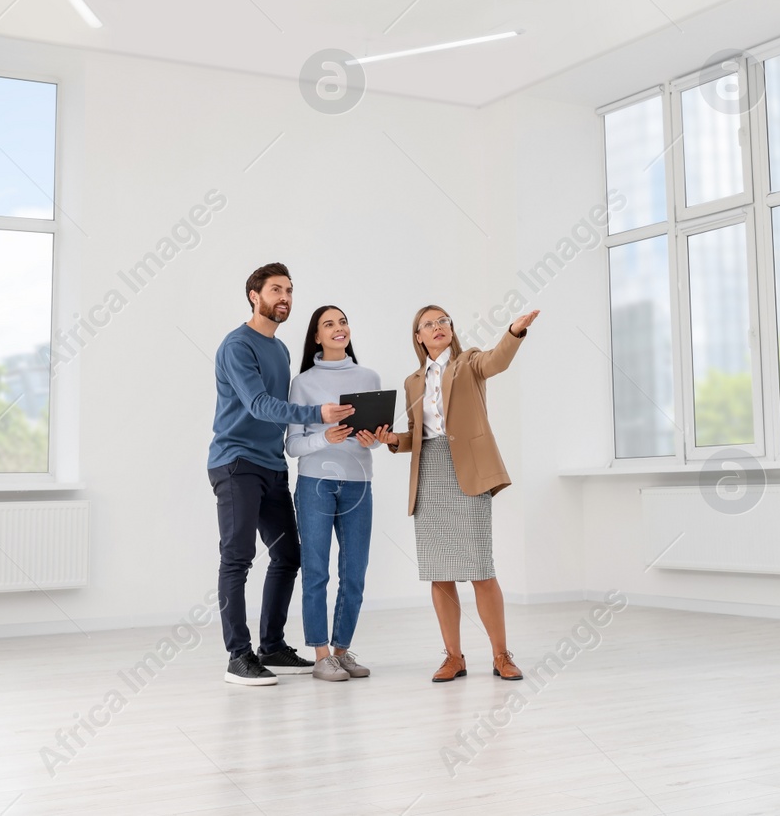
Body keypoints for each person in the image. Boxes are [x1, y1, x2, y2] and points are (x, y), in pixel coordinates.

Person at [376, 304, 540, 683]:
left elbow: (497, 361)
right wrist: (391, 440)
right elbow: (415, 434)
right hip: (429, 473)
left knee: (481, 569)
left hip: (468, 470)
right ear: (418, 336)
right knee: (440, 572)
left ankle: (501, 655)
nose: (437, 327)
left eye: (443, 321)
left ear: (451, 329)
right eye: (428, 324)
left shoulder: (469, 362)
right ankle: (453, 657)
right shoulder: (412, 381)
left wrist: (514, 332)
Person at [208, 263, 354, 687]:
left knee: (289, 555)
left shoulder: (283, 350)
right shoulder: (237, 346)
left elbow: (279, 411)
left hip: (272, 466)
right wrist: (316, 413)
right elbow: (259, 405)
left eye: (289, 290)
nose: (284, 297)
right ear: (254, 295)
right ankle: (239, 655)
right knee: (237, 558)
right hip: (236, 464)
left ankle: (272, 646)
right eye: (275, 289)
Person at [285, 305, 391, 682]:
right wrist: (323, 437)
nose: (338, 328)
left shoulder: (368, 375)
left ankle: (342, 652)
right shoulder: (303, 383)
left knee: (355, 572)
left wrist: (372, 439)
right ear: (316, 336)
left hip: (359, 483)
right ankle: (320, 655)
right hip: (315, 483)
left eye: (343, 321)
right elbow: (293, 446)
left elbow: (378, 440)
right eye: (328, 324)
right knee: (316, 571)